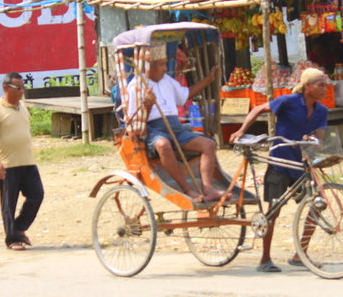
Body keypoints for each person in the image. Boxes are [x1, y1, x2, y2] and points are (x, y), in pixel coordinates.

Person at [229, 68, 329, 273]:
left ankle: (300, 254)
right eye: (320, 85)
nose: (324, 89)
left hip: (300, 164)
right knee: (274, 210)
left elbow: (320, 136)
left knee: (318, 204)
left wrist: (314, 142)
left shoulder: (321, 111)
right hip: (279, 162)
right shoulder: (288, 101)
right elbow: (257, 109)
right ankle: (264, 259)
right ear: (307, 86)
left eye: (325, 85)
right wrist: (241, 130)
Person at [126, 42, 226, 203]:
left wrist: (208, 80)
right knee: (163, 145)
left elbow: (185, 95)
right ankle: (187, 189)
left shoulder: (167, 80)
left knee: (208, 145)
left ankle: (208, 189)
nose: (166, 68)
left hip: (176, 127)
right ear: (149, 67)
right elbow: (135, 125)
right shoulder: (136, 87)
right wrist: (147, 105)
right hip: (153, 130)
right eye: (161, 65)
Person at [0, 72, 44, 251]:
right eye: (18, 88)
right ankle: (12, 239)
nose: (21, 91)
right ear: (6, 88)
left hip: (27, 162)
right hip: (8, 164)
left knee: (37, 195)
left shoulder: (23, 107)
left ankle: (19, 228)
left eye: (22, 87)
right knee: (8, 203)